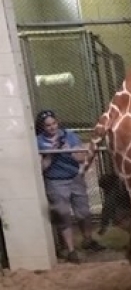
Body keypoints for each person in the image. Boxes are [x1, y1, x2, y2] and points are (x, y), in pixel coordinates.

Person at [34, 109, 105, 262]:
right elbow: (41, 168)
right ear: (42, 127)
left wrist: (68, 149)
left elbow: (81, 158)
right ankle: (70, 250)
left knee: (84, 212)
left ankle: (88, 240)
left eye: (54, 124)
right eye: (48, 126)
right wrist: (50, 153)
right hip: (55, 182)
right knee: (63, 214)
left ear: (57, 122)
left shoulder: (69, 135)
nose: (52, 128)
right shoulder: (38, 141)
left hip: (74, 178)